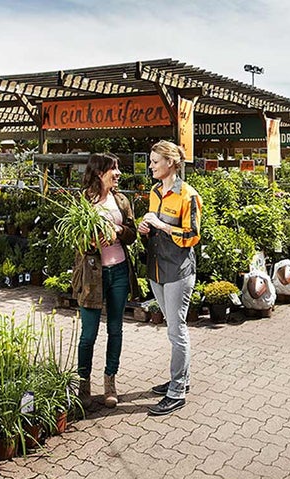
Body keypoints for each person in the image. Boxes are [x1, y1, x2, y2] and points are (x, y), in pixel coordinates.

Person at [138, 141, 202, 416]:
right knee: (172, 328)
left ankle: (176, 392)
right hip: (156, 269)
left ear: (170, 163)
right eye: (151, 161)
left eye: (155, 161)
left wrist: (162, 225)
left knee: (177, 331)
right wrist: (145, 227)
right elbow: (153, 228)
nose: (151, 166)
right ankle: (182, 379)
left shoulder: (188, 195)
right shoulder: (154, 192)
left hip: (178, 270)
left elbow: (193, 236)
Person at [72, 153, 139, 409]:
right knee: (88, 334)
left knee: (115, 329)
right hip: (92, 275)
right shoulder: (83, 201)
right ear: (100, 173)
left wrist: (119, 231)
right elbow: (74, 238)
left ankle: (110, 381)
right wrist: (90, 242)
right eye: (114, 168)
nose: (118, 173)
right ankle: (83, 383)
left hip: (119, 271)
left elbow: (132, 234)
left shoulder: (121, 200)